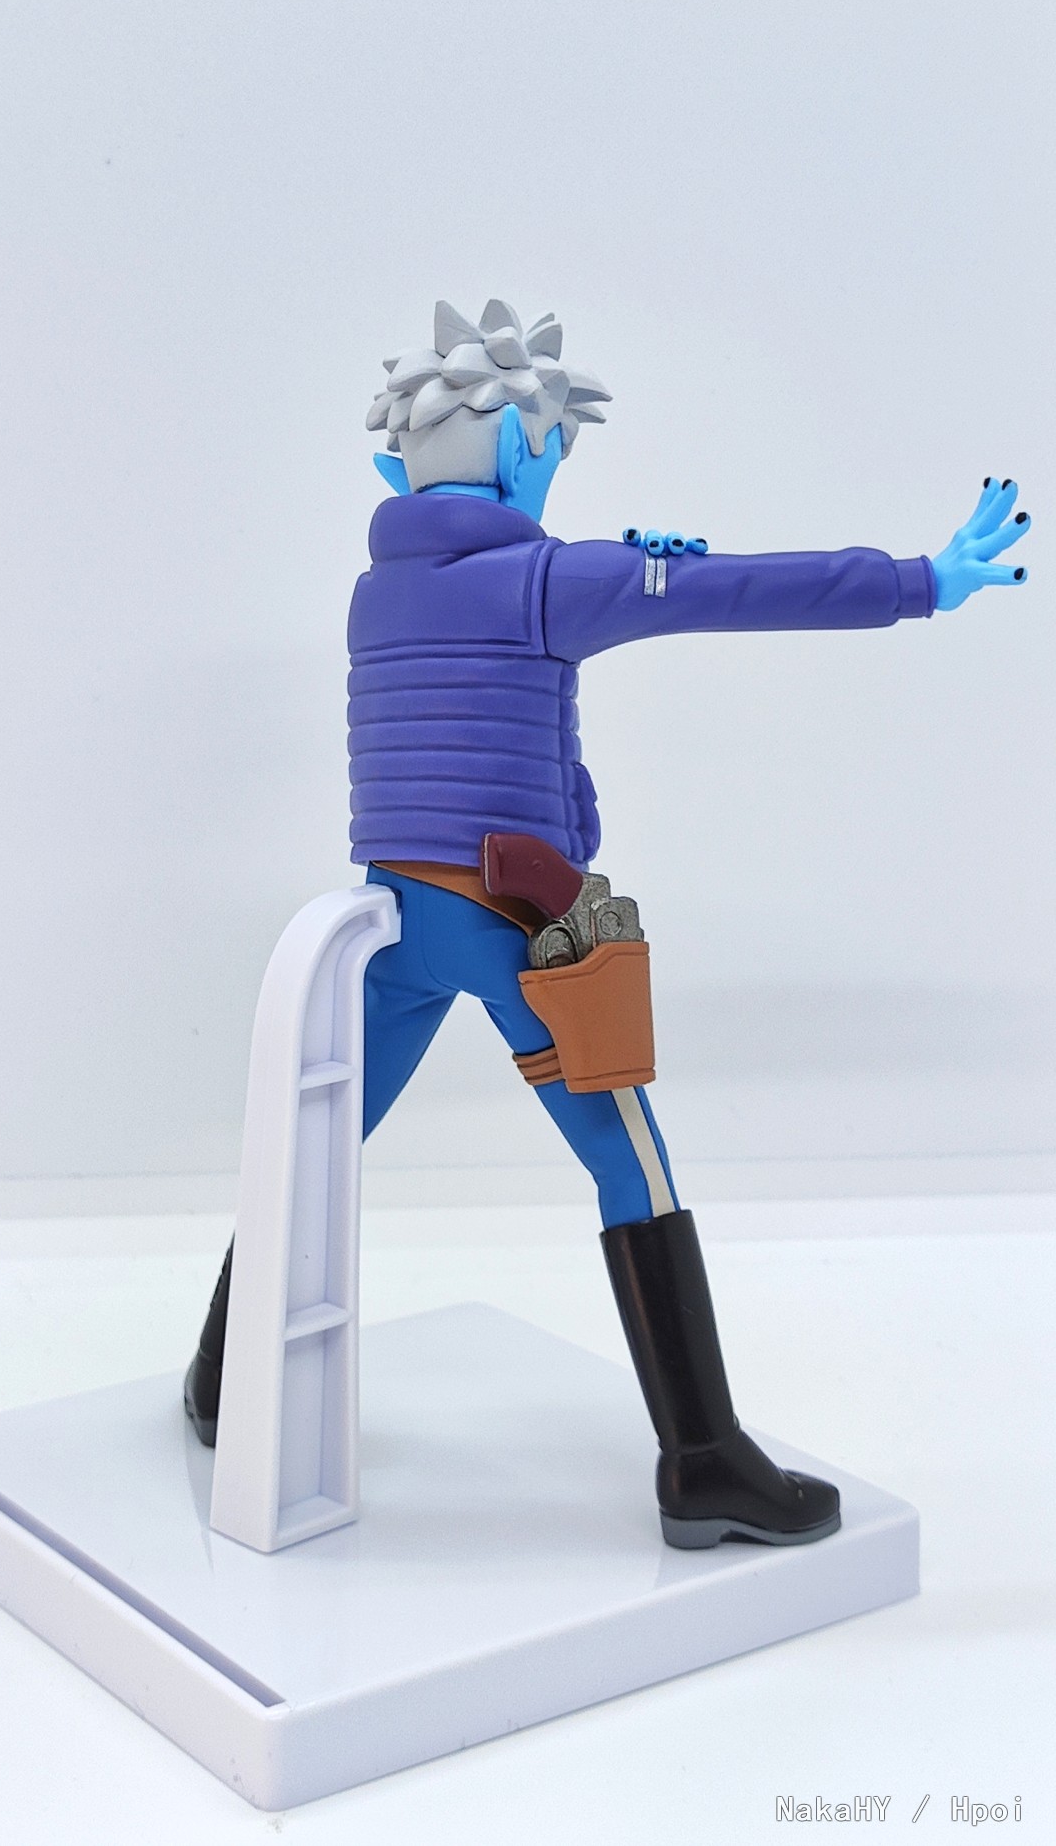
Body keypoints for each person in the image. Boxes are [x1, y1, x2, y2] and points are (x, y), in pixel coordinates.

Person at [186, 299, 1030, 1549]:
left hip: (387, 917)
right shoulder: (545, 577)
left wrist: (623, 565)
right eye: (549, 449)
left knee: (313, 1144)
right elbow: (736, 592)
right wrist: (918, 582)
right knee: (631, 1166)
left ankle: (220, 1380)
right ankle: (701, 1458)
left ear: (399, 468)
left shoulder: (376, 595)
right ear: (523, 449)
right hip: (510, 922)